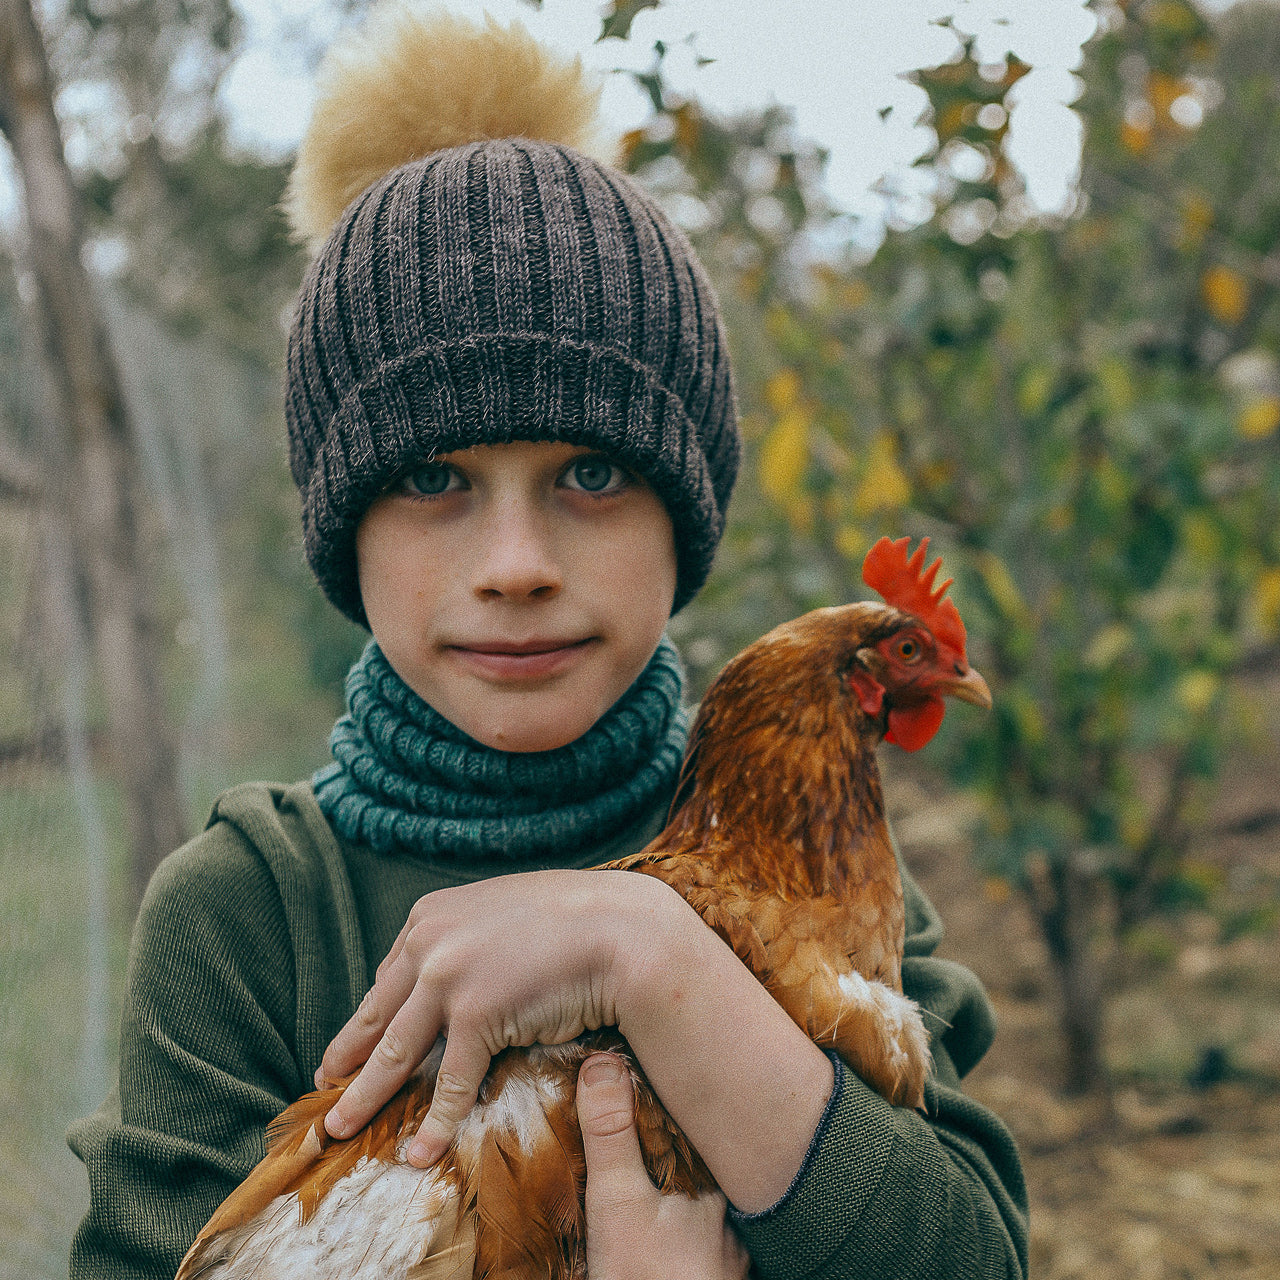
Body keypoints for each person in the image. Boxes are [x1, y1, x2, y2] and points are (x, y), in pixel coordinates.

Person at [68, 8, 1028, 1279]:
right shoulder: (252, 914)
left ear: (686, 520)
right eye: (430, 477)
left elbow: (969, 1256)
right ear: (339, 532)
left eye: (588, 470)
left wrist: (648, 950)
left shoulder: (821, 878)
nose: (515, 563)